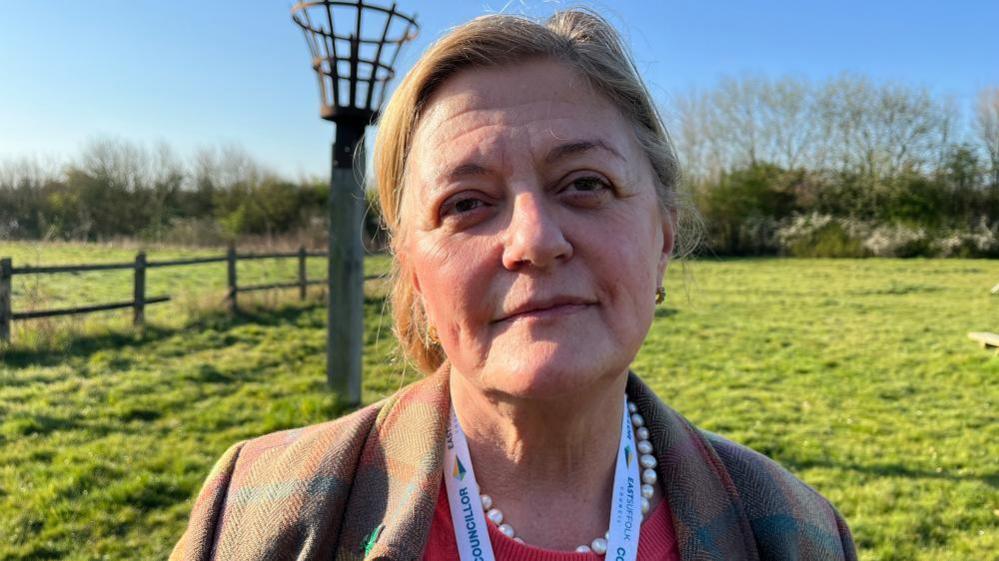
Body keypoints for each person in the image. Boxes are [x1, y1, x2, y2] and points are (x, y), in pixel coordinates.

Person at [171, 9, 857, 561]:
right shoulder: (256, 512)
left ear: (663, 235)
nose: (532, 240)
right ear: (412, 268)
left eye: (584, 184)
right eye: (466, 203)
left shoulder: (798, 534)